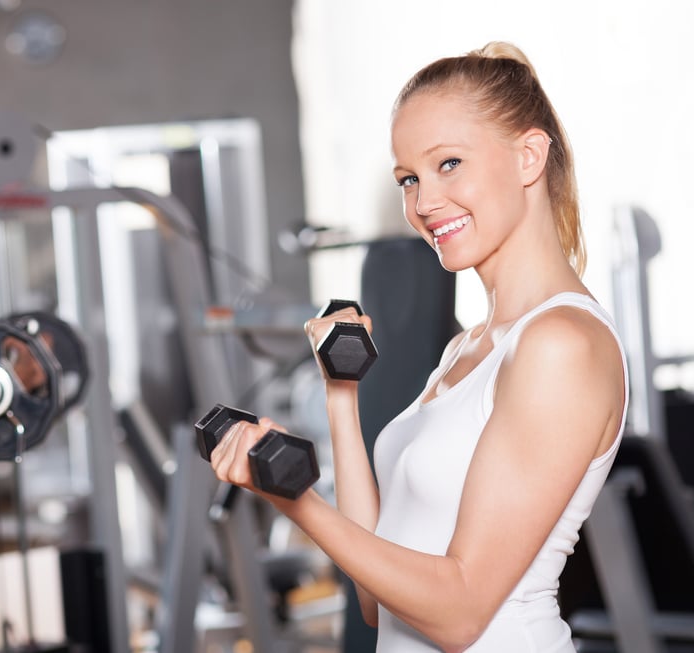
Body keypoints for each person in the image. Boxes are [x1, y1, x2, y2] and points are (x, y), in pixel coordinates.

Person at [208, 41, 628, 652]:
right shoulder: (466, 351)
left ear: (529, 157)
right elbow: (378, 603)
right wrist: (341, 396)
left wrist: (292, 499)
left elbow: (457, 614)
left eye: (449, 164)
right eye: (409, 178)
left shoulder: (561, 344)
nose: (424, 203)